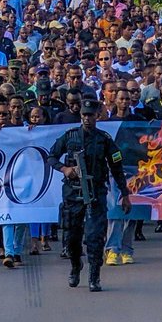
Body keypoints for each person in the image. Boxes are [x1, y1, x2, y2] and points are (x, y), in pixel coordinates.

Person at [47, 97, 131, 293]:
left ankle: (95, 275)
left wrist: (125, 194)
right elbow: (51, 157)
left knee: (94, 237)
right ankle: (76, 266)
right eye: (84, 115)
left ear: (97, 116)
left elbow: (117, 168)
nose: (87, 119)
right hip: (73, 193)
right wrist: (65, 169)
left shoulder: (104, 139)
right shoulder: (69, 137)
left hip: (95, 193)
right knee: (72, 238)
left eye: (90, 115)